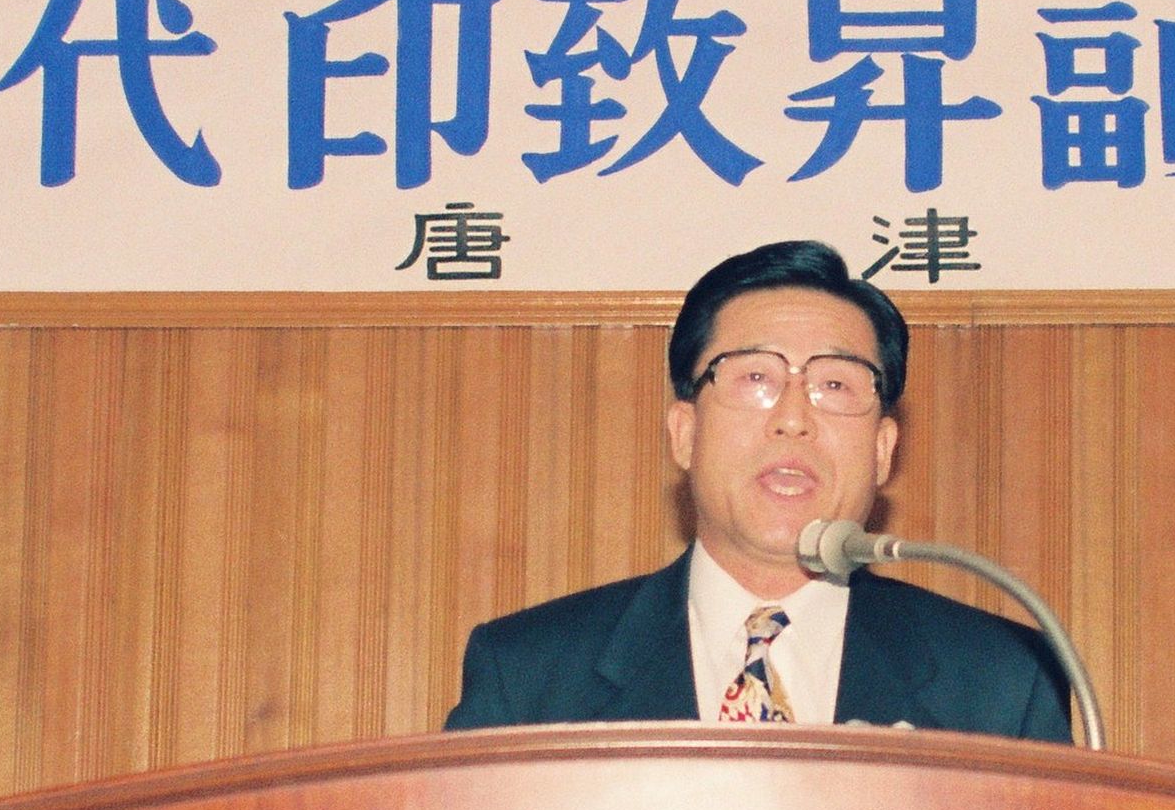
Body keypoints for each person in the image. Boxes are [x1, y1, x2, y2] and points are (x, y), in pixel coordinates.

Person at [444, 238, 1073, 739]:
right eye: (755, 379)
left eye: (834, 384)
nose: (793, 418)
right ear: (685, 433)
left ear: (883, 450)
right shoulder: (527, 676)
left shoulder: (1000, 679)